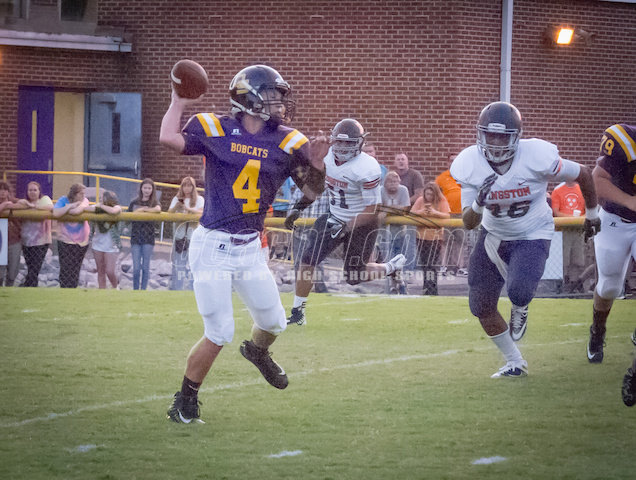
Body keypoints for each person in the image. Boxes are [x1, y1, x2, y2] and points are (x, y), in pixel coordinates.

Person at [159, 64, 327, 423]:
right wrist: (178, 101)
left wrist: (317, 164)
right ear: (249, 98)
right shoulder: (214, 127)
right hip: (213, 246)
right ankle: (185, 401)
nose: (279, 103)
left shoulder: (288, 141)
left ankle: (256, 351)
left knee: (275, 322)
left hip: (250, 247)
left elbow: (313, 192)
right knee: (219, 331)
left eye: (280, 97)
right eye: (272, 96)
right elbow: (168, 138)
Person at [450, 101, 600, 378]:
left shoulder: (536, 157)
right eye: (490, 135)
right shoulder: (469, 163)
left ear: (516, 137)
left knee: (519, 291)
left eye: (502, 136)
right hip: (494, 235)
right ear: (480, 134)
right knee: (480, 305)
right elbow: (469, 222)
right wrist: (479, 202)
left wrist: (591, 214)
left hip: (533, 233)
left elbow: (583, 173)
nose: (495, 143)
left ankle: (520, 306)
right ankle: (514, 362)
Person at [285, 118, 406, 326]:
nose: (342, 147)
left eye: (348, 143)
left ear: (359, 143)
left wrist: (346, 226)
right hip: (334, 215)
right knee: (307, 259)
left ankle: (391, 267)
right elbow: (317, 187)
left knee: (354, 276)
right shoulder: (327, 157)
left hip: (362, 223)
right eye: (339, 142)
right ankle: (298, 312)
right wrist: (299, 206)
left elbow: (373, 209)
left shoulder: (367, 166)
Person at [585, 124, 636, 364]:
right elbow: (597, 180)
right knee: (609, 287)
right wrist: (629, 201)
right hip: (616, 220)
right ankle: (598, 330)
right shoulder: (626, 141)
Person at [410, 182, 450, 295]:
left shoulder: (442, 201)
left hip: (436, 238)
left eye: (431, 194)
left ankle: (432, 290)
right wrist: (421, 212)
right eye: (427, 194)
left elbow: (447, 216)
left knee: (432, 265)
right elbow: (411, 213)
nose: (429, 197)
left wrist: (434, 212)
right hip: (421, 237)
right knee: (424, 265)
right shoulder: (420, 200)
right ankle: (426, 289)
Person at [12, 181, 53, 287]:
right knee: (31, 267)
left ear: (39, 191)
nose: (32, 192)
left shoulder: (44, 200)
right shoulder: (23, 202)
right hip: (26, 241)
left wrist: (32, 206)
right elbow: (15, 206)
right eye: (30, 190)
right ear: (27, 192)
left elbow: (50, 207)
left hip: (42, 241)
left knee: (35, 268)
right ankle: (30, 286)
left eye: (35, 190)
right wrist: (27, 204)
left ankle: (28, 286)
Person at [168, 176, 204, 290]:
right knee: (179, 265)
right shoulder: (177, 199)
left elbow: (201, 213)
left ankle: (193, 290)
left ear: (193, 187)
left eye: (189, 186)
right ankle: (177, 289)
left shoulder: (199, 199)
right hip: (180, 236)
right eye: (184, 185)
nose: (187, 188)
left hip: (193, 236)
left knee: (194, 265)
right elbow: (169, 213)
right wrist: (177, 206)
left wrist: (188, 209)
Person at [53, 183, 91, 288]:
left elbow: (76, 212)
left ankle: (73, 288)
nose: (83, 196)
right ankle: (64, 288)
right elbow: (56, 213)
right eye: (81, 193)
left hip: (81, 241)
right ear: (74, 194)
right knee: (65, 267)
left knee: (75, 268)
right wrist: (70, 206)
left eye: (84, 193)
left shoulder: (85, 201)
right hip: (64, 239)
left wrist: (68, 209)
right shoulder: (63, 200)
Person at [551, 180, 586, 293]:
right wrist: (571, 218)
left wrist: (581, 219)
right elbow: (556, 212)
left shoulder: (582, 190)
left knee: (577, 258)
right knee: (564, 258)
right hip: (563, 230)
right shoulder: (558, 190)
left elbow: (587, 210)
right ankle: (562, 282)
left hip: (578, 229)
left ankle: (574, 283)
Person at [380, 171, 411, 293]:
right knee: (388, 261)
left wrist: (387, 210)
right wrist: (395, 209)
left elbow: (404, 210)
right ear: (385, 183)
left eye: (395, 181)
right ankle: (395, 285)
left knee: (399, 262)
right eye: (390, 181)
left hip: (399, 232)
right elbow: (378, 210)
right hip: (384, 233)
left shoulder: (403, 190)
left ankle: (399, 284)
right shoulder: (380, 190)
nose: (393, 184)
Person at [128, 178, 161, 290]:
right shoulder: (134, 202)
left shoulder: (154, 203)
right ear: (141, 188)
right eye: (145, 188)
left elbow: (158, 209)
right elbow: (129, 215)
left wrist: (144, 210)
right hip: (135, 237)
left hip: (148, 238)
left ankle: (143, 290)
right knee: (136, 267)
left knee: (145, 267)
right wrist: (140, 210)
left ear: (152, 190)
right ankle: (135, 290)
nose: (147, 190)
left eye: (149, 188)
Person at [436, 155, 466, 276]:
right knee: (444, 241)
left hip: (461, 213)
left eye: (455, 160)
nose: (453, 163)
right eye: (451, 161)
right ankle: (443, 266)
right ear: (447, 163)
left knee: (461, 241)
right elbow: (435, 194)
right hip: (446, 214)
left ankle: (459, 267)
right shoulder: (442, 177)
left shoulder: (465, 176)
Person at [87, 190, 122, 289]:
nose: (100, 199)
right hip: (98, 244)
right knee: (100, 271)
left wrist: (101, 207)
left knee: (110, 271)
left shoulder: (116, 207)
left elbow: (113, 211)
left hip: (111, 245)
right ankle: (102, 291)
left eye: (102, 197)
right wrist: (98, 207)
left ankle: (115, 287)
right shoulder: (97, 207)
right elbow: (86, 209)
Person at [0, 181, 21, 286]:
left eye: (5, 190)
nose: (2, 192)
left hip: (14, 240)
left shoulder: (14, 201)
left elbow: (24, 204)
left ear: (8, 192)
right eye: (0, 189)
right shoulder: (6, 203)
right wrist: (4, 205)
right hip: (1, 240)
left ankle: (9, 290)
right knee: (0, 271)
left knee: (12, 271)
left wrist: (11, 205)